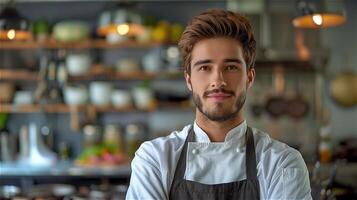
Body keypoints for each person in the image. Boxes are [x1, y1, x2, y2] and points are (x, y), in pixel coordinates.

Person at [126, 9, 312, 200]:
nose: (218, 80)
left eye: (230, 67)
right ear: (189, 80)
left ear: (249, 77)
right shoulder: (155, 159)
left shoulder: (282, 163)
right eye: (205, 68)